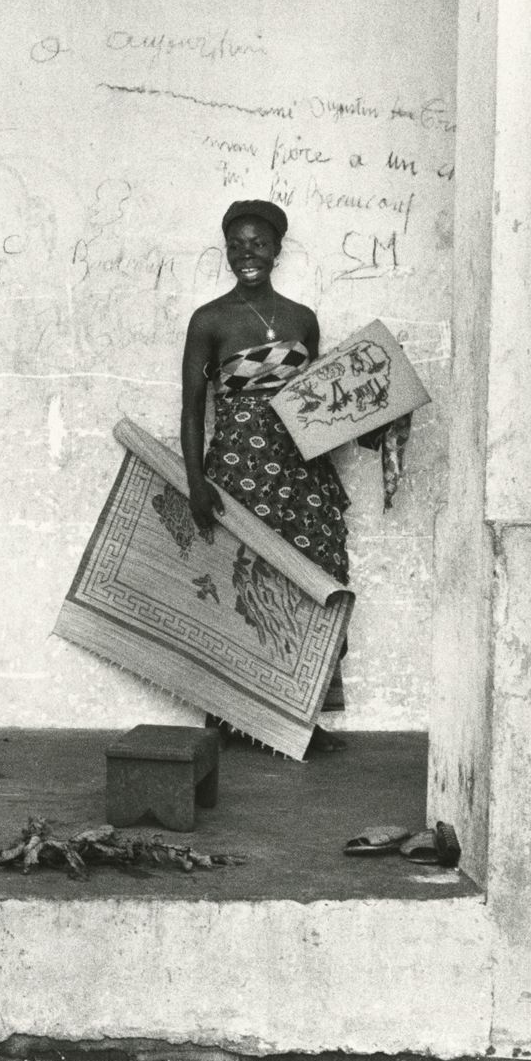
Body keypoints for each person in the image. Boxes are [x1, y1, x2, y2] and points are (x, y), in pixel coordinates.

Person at [178, 199, 350, 754]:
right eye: (235, 244)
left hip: (302, 474)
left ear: (276, 249)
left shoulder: (303, 319)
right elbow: (191, 409)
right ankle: (229, 714)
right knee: (239, 583)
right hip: (238, 470)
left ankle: (299, 718)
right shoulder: (209, 320)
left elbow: (320, 402)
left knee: (309, 582)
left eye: (256, 243)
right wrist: (196, 482)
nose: (245, 254)